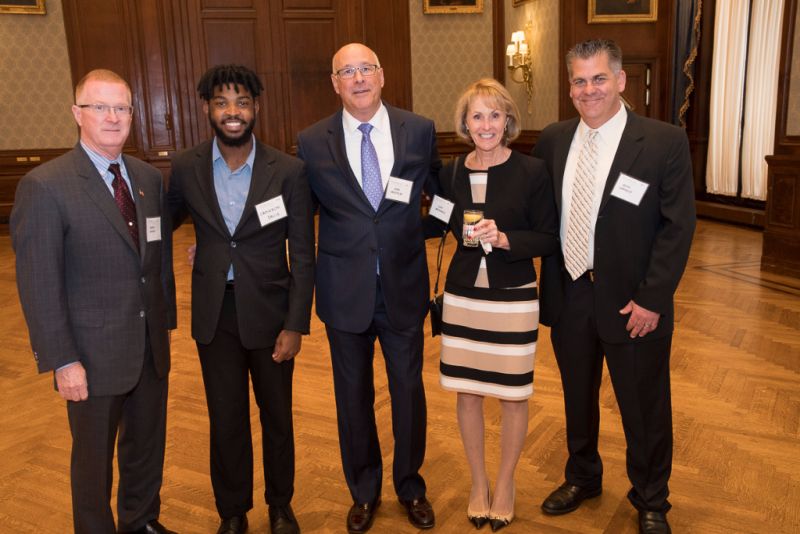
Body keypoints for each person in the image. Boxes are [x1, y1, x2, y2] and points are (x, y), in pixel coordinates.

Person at [533, 39, 696, 534]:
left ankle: (651, 498)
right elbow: (537, 213)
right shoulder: (553, 140)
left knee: (644, 406)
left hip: (634, 302)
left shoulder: (663, 141)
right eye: (579, 81)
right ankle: (583, 477)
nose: (589, 90)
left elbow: (678, 227)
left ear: (621, 80)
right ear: (570, 87)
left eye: (599, 78)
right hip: (570, 294)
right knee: (577, 399)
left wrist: (652, 299)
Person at [10, 69, 176, 534]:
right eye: (100, 107)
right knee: (93, 463)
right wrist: (63, 360)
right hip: (90, 356)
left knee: (146, 447)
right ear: (76, 113)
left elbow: (156, 260)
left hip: (148, 346)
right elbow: (39, 284)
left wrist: (164, 327)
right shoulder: (46, 185)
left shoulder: (146, 178)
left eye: (121, 108)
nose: (112, 117)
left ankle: (141, 521)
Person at [296, 43, 441, 534]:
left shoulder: (418, 129)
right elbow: (299, 218)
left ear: (381, 75)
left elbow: (440, 195)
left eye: (365, 69)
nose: (358, 78)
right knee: (352, 397)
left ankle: (411, 486)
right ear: (335, 84)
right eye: (347, 72)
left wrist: (449, 227)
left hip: (404, 285)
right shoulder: (311, 141)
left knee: (408, 393)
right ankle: (363, 490)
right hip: (344, 292)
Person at [167, 65, 314, 534]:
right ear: (207, 109)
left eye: (242, 102)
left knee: (278, 417)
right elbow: (162, 224)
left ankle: (280, 505)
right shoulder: (186, 167)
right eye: (222, 102)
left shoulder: (288, 171)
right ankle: (232, 512)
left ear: (256, 108)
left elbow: (303, 254)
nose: (233, 111)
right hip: (216, 315)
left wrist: (295, 324)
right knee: (225, 418)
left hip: (271, 314)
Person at [429, 79, 558, 532]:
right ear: (465, 123)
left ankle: (505, 483)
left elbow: (549, 237)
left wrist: (505, 239)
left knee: (513, 394)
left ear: (508, 121)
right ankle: (478, 483)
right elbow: (436, 224)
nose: (486, 124)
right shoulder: (449, 174)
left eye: (495, 115)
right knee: (467, 392)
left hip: (513, 298)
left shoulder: (532, 171)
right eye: (477, 115)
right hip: (464, 298)